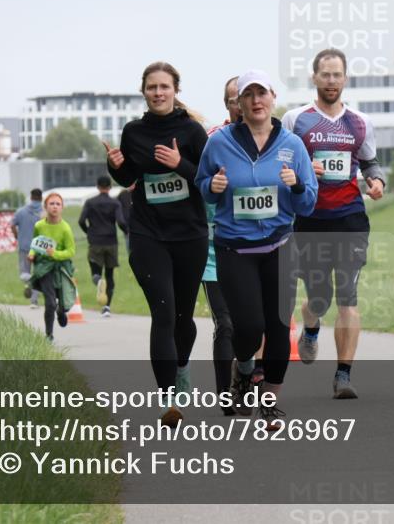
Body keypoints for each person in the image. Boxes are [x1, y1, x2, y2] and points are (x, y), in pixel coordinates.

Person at [196, 70, 318, 429]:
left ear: (272, 98)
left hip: (278, 245)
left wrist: (296, 186)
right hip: (235, 249)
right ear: (240, 104)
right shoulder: (218, 143)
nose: (256, 101)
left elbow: (308, 203)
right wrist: (213, 186)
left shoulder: (292, 145)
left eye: (261, 93)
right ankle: (245, 368)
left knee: (279, 328)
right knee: (248, 327)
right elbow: (201, 187)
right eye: (248, 95)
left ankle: (270, 403)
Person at [105, 61, 209, 428]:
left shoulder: (193, 131)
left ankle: (182, 365)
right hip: (149, 232)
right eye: (152, 87)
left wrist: (181, 163)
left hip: (191, 235)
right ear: (144, 91)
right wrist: (115, 165)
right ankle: (168, 401)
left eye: (165, 86)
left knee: (183, 316)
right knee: (162, 313)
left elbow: (209, 182)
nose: (159, 92)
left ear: (175, 89)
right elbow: (129, 176)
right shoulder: (133, 132)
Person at [283, 49, 385, 398]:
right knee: (320, 298)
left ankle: (344, 375)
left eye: (336, 75)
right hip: (310, 219)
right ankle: (311, 327)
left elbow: (370, 163)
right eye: (325, 74)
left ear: (345, 79)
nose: (331, 81)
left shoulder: (359, 122)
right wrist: (302, 172)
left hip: (350, 219)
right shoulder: (296, 120)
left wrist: (376, 182)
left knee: (348, 296)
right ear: (314, 78)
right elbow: (279, 164)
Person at [202, 76, 242, 415]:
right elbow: (195, 183)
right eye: (233, 99)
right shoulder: (212, 141)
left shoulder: (276, 140)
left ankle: (247, 378)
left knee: (252, 324)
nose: (240, 104)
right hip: (215, 250)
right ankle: (225, 394)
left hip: (258, 249)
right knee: (226, 323)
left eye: (245, 97)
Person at [28, 192, 76, 343]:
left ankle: (61, 312)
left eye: (58, 204)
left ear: (62, 208)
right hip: (44, 267)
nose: (55, 207)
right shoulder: (39, 225)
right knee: (50, 303)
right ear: (45, 206)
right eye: (52, 204)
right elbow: (35, 243)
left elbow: (71, 251)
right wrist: (31, 254)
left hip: (61, 268)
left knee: (62, 304)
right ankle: (49, 335)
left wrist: (55, 253)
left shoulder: (65, 229)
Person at [78, 175, 128, 317]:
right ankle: (106, 307)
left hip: (95, 241)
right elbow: (121, 222)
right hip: (111, 242)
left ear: (98, 186)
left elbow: (81, 220)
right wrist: (127, 232)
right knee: (110, 275)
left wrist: (88, 232)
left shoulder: (90, 202)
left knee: (96, 269)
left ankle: (98, 279)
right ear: (110, 186)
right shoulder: (115, 203)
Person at [11, 189, 44, 306]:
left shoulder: (21, 212)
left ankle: (29, 281)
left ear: (31, 197)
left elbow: (12, 224)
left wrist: (16, 235)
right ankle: (34, 301)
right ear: (41, 198)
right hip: (40, 248)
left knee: (24, 272)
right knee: (38, 273)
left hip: (24, 247)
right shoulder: (44, 213)